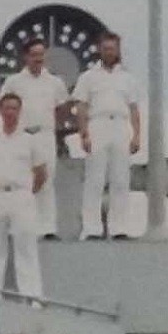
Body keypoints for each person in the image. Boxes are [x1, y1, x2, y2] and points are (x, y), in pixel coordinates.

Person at [69, 30, 143, 238]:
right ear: (99, 50)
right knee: (95, 179)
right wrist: (84, 133)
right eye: (105, 48)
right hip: (98, 125)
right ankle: (91, 228)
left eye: (112, 48)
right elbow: (81, 106)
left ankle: (119, 228)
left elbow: (134, 109)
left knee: (120, 179)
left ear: (118, 50)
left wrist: (137, 135)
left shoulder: (127, 78)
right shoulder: (88, 77)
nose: (109, 52)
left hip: (120, 125)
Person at [0, 92, 50, 296]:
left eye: (14, 108)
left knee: (25, 247)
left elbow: (41, 173)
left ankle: (31, 296)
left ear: (20, 111)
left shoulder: (30, 140)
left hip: (21, 196)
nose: (10, 112)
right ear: (0, 110)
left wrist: (27, 191)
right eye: (6, 108)